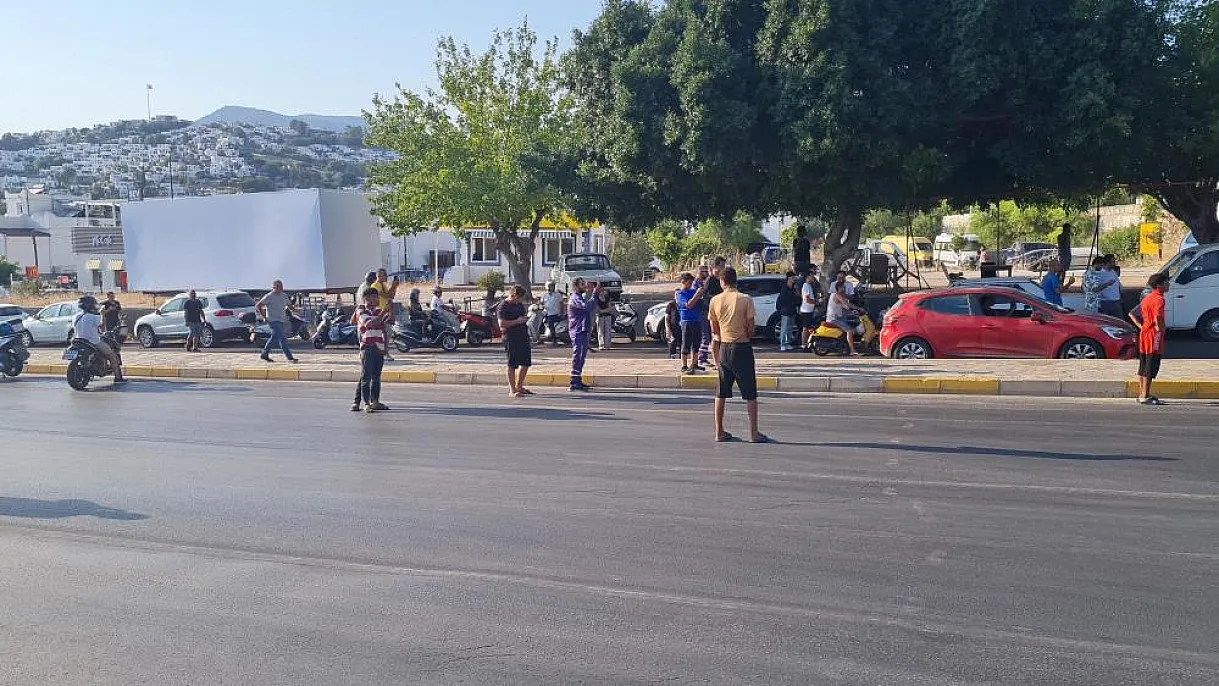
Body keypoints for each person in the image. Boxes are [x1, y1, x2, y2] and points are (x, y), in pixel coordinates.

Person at [709, 267, 767, 443]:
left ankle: (719, 431)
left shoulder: (715, 300)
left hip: (724, 347)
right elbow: (751, 327)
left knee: (721, 392)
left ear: (722, 282)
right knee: (750, 393)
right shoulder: (745, 299)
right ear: (736, 281)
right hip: (742, 347)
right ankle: (754, 432)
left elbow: (714, 329)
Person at [1130, 273, 1169, 405]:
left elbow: (1132, 314)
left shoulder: (1147, 298)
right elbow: (1158, 317)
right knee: (1151, 365)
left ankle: (1142, 393)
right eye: (1166, 282)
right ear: (1159, 285)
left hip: (1144, 333)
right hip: (1153, 335)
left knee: (1143, 363)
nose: (1168, 284)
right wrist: (1160, 329)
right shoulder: (1159, 299)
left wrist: (1141, 326)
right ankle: (1145, 396)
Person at [352, 289, 393, 413]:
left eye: (377, 297)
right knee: (366, 377)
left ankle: (374, 401)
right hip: (367, 347)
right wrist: (384, 312)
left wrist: (390, 309)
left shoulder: (378, 311)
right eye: (374, 297)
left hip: (378, 346)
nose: (377, 299)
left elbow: (389, 322)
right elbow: (370, 324)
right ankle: (366, 403)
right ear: (366, 299)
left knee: (376, 376)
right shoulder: (361, 312)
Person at [73, 295, 126, 384]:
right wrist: (102, 315)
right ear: (90, 305)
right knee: (112, 355)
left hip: (78, 341)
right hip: (93, 342)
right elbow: (103, 329)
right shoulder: (93, 316)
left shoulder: (76, 316)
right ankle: (118, 378)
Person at [499, 285, 533, 398]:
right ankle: (512, 390)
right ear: (514, 296)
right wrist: (517, 321)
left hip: (523, 335)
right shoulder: (503, 306)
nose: (521, 301)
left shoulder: (519, 305)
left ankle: (519, 386)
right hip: (511, 337)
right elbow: (502, 324)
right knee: (512, 364)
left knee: (526, 362)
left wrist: (525, 319)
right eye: (520, 298)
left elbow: (522, 317)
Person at [257, 280, 297, 363]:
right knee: (282, 337)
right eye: (278, 286)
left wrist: (295, 310)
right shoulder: (269, 296)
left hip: (281, 320)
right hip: (272, 320)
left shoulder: (284, 295)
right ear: (274, 287)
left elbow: (289, 305)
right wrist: (264, 316)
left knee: (277, 338)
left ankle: (264, 354)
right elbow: (258, 305)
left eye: (281, 286)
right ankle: (290, 357)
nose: (280, 288)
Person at [675, 272, 706, 374]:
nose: (690, 285)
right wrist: (697, 294)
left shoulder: (693, 291)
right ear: (683, 282)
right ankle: (684, 365)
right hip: (687, 321)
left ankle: (694, 363)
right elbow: (688, 305)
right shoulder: (680, 294)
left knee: (696, 343)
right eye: (689, 283)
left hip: (697, 320)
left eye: (691, 283)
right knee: (686, 343)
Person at [567, 277, 594, 391]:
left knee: (582, 356)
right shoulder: (575, 298)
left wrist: (593, 293)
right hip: (577, 330)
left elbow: (590, 307)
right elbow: (587, 307)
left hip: (582, 330)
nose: (584, 286)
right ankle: (574, 382)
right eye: (582, 284)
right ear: (576, 286)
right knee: (578, 355)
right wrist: (594, 295)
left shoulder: (580, 297)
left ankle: (577, 379)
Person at [826, 281, 860, 356]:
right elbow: (847, 304)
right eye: (843, 287)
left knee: (850, 327)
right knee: (849, 330)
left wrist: (851, 310)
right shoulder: (837, 295)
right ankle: (852, 350)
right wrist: (859, 308)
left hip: (836, 318)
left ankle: (845, 347)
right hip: (834, 319)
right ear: (839, 288)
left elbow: (844, 306)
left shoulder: (835, 295)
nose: (844, 288)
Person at [776, 271, 801, 352]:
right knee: (784, 328)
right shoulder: (784, 288)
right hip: (786, 310)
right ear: (789, 278)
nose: (794, 279)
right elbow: (783, 299)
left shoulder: (793, 288)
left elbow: (797, 298)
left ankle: (788, 343)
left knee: (790, 328)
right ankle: (782, 344)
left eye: (794, 278)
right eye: (793, 278)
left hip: (792, 310)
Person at [799, 271, 822, 349]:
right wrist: (816, 302)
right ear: (807, 277)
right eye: (812, 276)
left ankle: (807, 343)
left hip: (809, 310)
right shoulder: (806, 286)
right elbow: (807, 300)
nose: (813, 278)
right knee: (805, 328)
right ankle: (803, 345)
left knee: (809, 327)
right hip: (806, 310)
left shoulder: (809, 286)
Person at [540, 281, 565, 346]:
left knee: (550, 324)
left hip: (554, 314)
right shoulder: (545, 295)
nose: (550, 288)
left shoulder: (558, 295)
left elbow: (561, 304)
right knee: (540, 322)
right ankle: (539, 338)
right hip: (546, 313)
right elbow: (541, 303)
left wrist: (562, 313)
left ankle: (554, 340)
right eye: (548, 286)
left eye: (551, 286)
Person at [594, 285, 615, 351]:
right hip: (600, 317)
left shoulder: (607, 298)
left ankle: (607, 345)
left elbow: (611, 308)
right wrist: (606, 310)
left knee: (608, 331)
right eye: (600, 290)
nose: (602, 292)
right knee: (600, 331)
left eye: (603, 290)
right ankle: (601, 345)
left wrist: (603, 311)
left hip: (608, 316)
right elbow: (597, 310)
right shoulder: (596, 299)